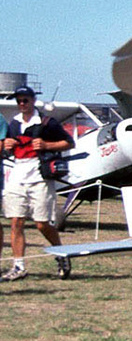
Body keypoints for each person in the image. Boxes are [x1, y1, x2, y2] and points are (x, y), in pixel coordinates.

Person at [2, 86, 74, 280]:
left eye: (25, 100)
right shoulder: (14, 123)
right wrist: (8, 146)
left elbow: (69, 142)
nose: (22, 104)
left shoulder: (47, 123)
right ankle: (18, 266)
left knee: (42, 224)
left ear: (33, 100)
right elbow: (10, 148)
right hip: (18, 174)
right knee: (16, 221)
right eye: (19, 101)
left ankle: (61, 254)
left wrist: (47, 145)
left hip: (39, 177)